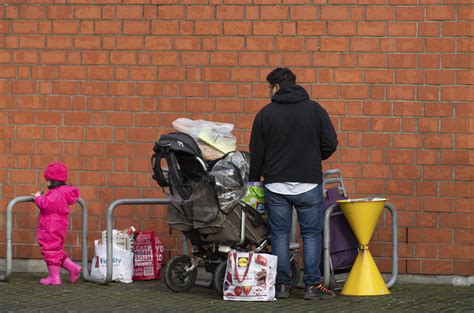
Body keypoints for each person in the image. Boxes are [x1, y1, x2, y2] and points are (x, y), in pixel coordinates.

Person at [249, 68, 338, 300]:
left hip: (276, 185)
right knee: (310, 234)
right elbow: (331, 143)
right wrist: (312, 158)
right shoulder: (315, 110)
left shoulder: (265, 114)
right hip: (308, 183)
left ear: (276, 86)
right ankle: (312, 286)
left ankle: (281, 286)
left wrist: (253, 179)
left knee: (279, 235)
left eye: (269, 87)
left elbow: (256, 153)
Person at [32, 161, 81, 286]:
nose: (46, 182)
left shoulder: (56, 194)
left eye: (48, 180)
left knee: (50, 250)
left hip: (50, 226)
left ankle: (54, 277)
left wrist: (38, 197)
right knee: (56, 250)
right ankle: (73, 268)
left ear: (55, 181)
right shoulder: (63, 192)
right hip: (59, 225)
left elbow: (46, 205)